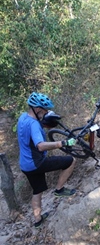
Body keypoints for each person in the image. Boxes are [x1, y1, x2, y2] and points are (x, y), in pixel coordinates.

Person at [17, 92, 77, 228]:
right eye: (45, 110)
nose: (46, 113)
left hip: (25, 165)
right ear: (37, 109)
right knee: (71, 160)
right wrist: (62, 143)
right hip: (36, 163)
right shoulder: (34, 125)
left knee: (37, 190)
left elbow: (29, 135)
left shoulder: (23, 118)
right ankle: (59, 190)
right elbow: (41, 146)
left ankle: (37, 220)